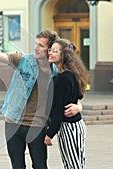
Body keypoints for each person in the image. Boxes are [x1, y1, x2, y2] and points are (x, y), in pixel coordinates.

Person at [0, 29, 82, 169]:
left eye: (41, 45)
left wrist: (79, 107)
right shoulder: (24, 60)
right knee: (17, 165)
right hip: (14, 122)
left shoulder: (57, 70)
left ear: (49, 49)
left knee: (40, 165)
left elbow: (71, 94)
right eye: (36, 44)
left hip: (37, 125)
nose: (36, 48)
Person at [44, 39, 87, 169]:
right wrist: (78, 106)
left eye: (54, 51)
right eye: (50, 50)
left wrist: (49, 134)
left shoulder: (63, 79)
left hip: (69, 127)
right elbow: (79, 96)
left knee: (73, 166)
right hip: (75, 126)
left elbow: (58, 109)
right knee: (75, 165)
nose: (50, 53)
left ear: (64, 55)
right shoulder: (71, 74)